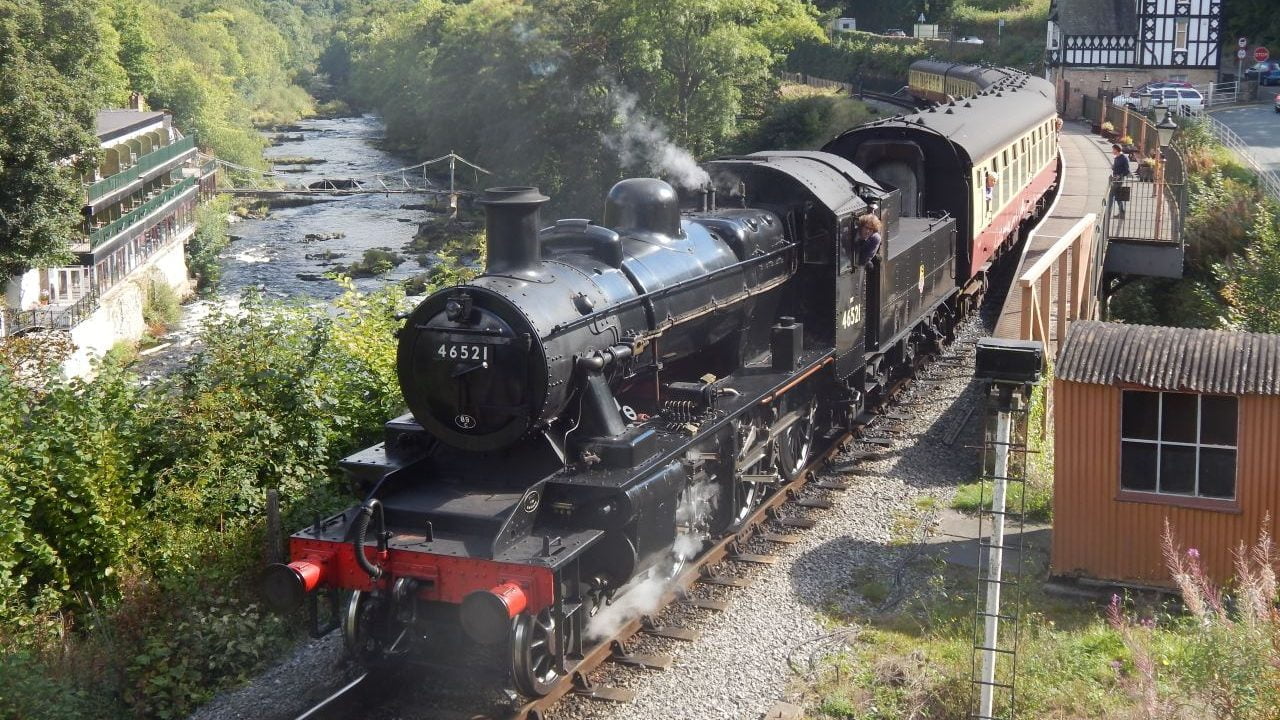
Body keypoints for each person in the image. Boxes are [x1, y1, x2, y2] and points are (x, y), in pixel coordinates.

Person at [1110, 143, 1131, 218]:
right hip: (1115, 179)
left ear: (1116, 150)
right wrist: (1113, 167)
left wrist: (1119, 176)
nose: (1112, 151)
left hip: (1119, 180)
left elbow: (1127, 171)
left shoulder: (1124, 158)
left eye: (1113, 149)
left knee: (1112, 195)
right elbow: (1117, 168)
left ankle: (1108, 213)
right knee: (1117, 196)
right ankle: (1121, 212)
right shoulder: (1117, 158)